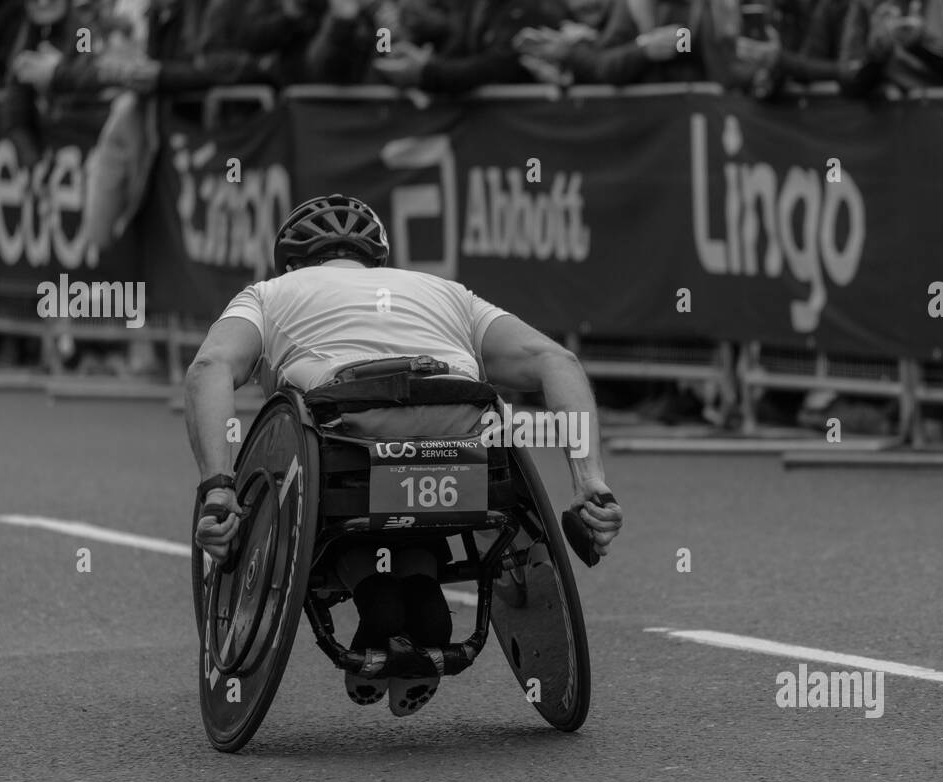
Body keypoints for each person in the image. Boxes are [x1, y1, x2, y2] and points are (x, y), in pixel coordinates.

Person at [184, 195, 625, 716]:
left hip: (349, 441)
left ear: (293, 264)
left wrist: (218, 484)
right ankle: (419, 597)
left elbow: (210, 366)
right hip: (464, 442)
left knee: (330, 461)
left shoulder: (269, 293)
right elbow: (557, 360)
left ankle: (380, 605)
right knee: (422, 447)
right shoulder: (444, 292)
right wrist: (590, 484)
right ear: (380, 260)